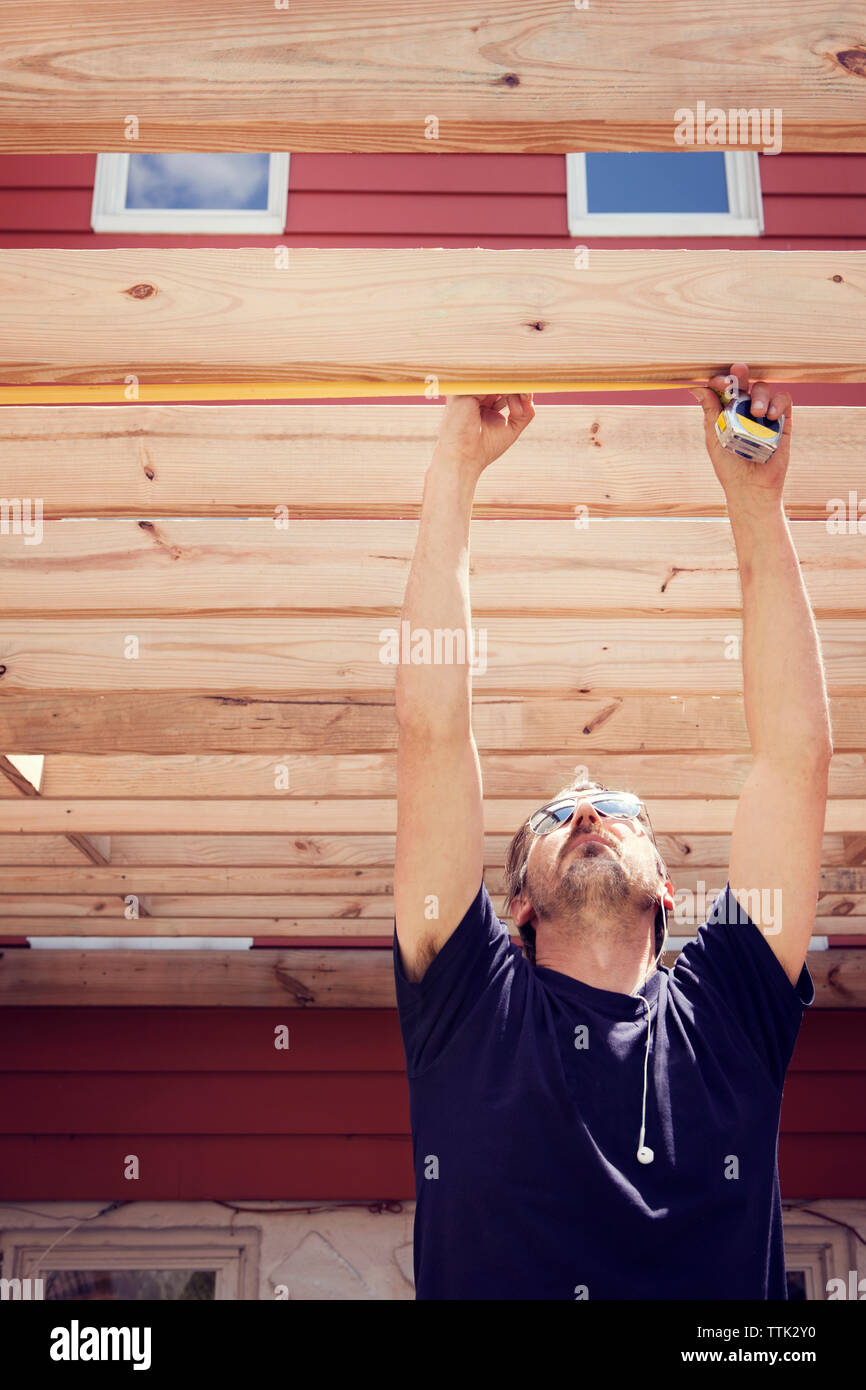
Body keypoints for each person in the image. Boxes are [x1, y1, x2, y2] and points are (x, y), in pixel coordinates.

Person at [392, 364, 832, 1300]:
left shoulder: (726, 1011)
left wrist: (756, 500)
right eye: (557, 817)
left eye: (617, 810)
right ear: (515, 905)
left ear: (668, 890)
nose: (589, 812)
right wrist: (455, 471)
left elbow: (796, 760)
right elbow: (432, 738)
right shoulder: (470, 1006)